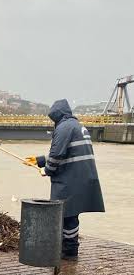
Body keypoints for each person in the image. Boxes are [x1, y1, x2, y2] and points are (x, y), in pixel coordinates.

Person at [24, 99, 105, 261]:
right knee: (70, 214)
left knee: (67, 214)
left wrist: (46, 170)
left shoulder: (64, 127)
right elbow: (69, 153)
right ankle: (69, 247)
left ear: (57, 115)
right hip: (82, 176)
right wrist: (39, 160)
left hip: (71, 178)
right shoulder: (77, 126)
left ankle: (70, 251)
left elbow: (57, 154)